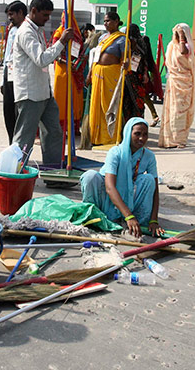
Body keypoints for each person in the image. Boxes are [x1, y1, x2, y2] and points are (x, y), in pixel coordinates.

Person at [12, 0, 73, 165]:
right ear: (33, 11)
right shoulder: (26, 32)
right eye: (45, 15)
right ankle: (14, 174)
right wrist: (61, 42)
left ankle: (53, 172)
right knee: (24, 138)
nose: (47, 19)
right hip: (30, 94)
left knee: (54, 133)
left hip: (44, 93)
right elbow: (41, 59)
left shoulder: (37, 31)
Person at [80, 117, 164, 238]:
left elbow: (155, 189)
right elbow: (109, 187)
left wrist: (154, 220)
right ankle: (93, 217)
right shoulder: (115, 152)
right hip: (107, 197)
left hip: (129, 197)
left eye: (145, 134)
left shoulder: (149, 156)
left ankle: (137, 221)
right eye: (137, 134)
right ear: (128, 133)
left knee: (149, 180)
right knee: (90, 176)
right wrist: (128, 216)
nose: (141, 138)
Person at [87, 12, 126, 145]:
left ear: (116, 22)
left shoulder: (122, 39)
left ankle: (109, 137)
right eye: (104, 21)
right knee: (96, 105)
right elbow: (96, 57)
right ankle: (96, 137)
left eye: (108, 21)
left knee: (108, 106)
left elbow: (125, 60)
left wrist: (126, 63)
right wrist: (90, 73)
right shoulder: (102, 38)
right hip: (97, 74)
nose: (105, 23)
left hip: (111, 76)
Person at [159, 23, 195, 148]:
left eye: (180, 33)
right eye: (176, 33)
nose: (177, 35)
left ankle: (179, 139)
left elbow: (183, 51)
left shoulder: (187, 46)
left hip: (184, 83)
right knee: (171, 111)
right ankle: (169, 139)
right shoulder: (171, 46)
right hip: (173, 82)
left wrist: (181, 36)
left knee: (180, 112)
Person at [51, 15, 85, 135]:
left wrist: (77, 64)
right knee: (62, 97)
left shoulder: (76, 34)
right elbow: (54, 52)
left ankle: (74, 128)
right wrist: (66, 62)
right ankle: (61, 128)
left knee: (74, 97)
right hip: (62, 70)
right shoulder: (59, 32)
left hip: (74, 70)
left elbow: (80, 51)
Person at [1, 0, 27, 144]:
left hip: (21, 74)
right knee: (8, 111)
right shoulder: (12, 30)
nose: (10, 18)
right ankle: (12, 142)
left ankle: (19, 144)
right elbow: (7, 55)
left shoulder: (28, 31)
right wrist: (2, 81)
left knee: (19, 112)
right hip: (9, 73)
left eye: (12, 15)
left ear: (20, 13)